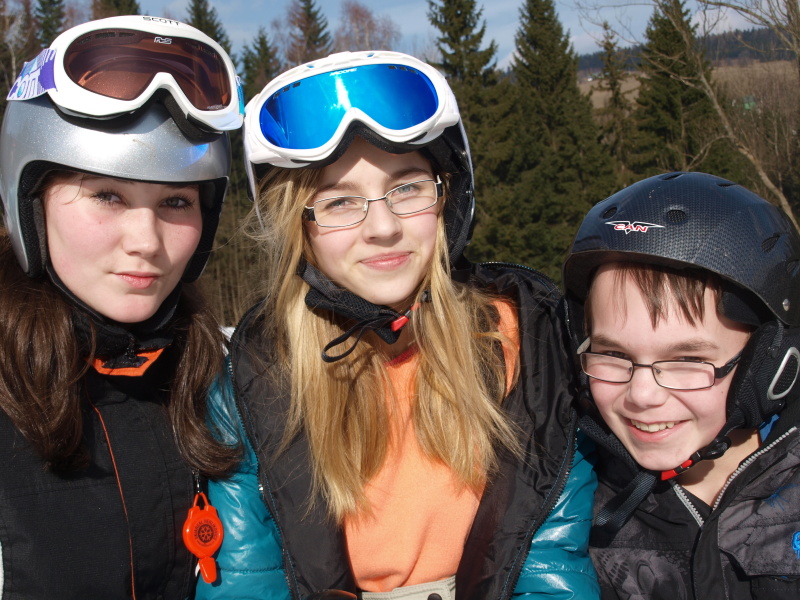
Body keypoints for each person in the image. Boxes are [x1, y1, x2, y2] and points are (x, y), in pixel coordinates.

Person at [199, 50, 599, 600]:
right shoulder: (258, 379)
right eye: (340, 202)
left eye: (407, 188)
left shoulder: (523, 344)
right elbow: (248, 582)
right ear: (300, 228)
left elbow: (552, 559)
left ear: (446, 197)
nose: (383, 227)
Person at [0, 15, 243, 598]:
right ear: (30, 203)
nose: (147, 241)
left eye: (176, 202)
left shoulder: (222, 385)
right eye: (108, 194)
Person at [561, 171, 800, 599]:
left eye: (687, 361)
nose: (642, 395)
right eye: (613, 354)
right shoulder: (569, 505)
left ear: (769, 363)